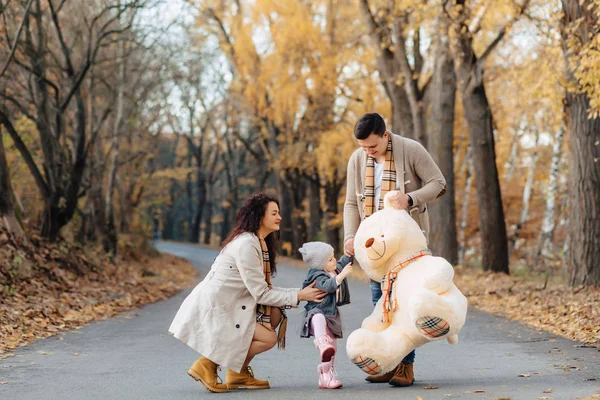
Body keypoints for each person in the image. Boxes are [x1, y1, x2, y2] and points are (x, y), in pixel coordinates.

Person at [169, 192, 327, 393]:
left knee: (275, 314)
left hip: (234, 304)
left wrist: (299, 293)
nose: (279, 217)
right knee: (268, 338)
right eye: (274, 213)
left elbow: (264, 290)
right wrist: (299, 295)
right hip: (220, 308)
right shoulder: (247, 244)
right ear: (260, 216)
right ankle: (208, 364)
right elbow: (261, 294)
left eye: (279, 213)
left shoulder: (258, 242)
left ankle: (237, 373)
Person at [343, 113, 446, 386]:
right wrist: (350, 236)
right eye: (363, 147)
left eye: (372, 147)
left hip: (405, 243)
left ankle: (406, 366)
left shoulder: (410, 149)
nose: (368, 152)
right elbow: (351, 204)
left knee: (402, 304)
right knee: (381, 304)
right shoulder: (357, 159)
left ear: (385, 135)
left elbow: (439, 183)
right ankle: (387, 362)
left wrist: (410, 198)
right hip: (374, 246)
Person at [298, 242, 353, 389]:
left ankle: (326, 376)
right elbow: (328, 285)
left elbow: (343, 262)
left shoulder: (333, 269)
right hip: (317, 311)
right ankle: (321, 340)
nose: (334, 260)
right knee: (318, 317)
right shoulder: (316, 274)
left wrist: (349, 254)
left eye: (333, 257)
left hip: (331, 315)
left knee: (332, 349)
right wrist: (341, 276)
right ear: (320, 264)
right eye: (330, 259)